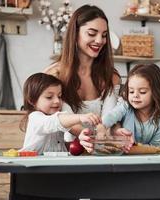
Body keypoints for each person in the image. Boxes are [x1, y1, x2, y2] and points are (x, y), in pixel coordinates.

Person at [43, 4, 132, 153]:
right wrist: (87, 136)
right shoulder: (54, 75)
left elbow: (110, 119)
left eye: (104, 35)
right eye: (92, 33)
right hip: (59, 154)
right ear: (75, 34)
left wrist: (116, 131)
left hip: (99, 154)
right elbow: (59, 118)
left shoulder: (112, 77)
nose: (99, 41)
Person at [20, 73, 101, 154]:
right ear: (32, 100)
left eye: (59, 96)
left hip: (53, 163)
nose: (57, 101)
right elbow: (54, 121)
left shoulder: (60, 119)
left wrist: (81, 139)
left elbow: (59, 146)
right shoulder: (35, 118)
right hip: (31, 164)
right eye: (49, 97)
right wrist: (80, 117)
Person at [101, 63, 160, 146]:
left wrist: (138, 147)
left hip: (143, 157)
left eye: (142, 92)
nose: (135, 95)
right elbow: (111, 116)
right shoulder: (125, 106)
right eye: (131, 91)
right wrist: (101, 127)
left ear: (155, 92)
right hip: (121, 156)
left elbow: (154, 147)